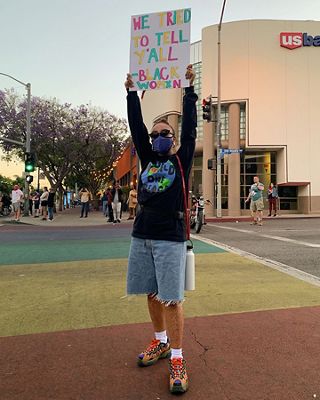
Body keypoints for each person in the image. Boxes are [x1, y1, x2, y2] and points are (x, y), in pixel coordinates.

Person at [125, 64, 197, 394]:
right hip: (142, 235)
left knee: (172, 299)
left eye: (163, 134)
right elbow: (136, 127)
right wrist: (130, 93)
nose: (156, 138)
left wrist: (189, 91)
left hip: (170, 237)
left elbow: (192, 129)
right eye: (154, 135)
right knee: (151, 293)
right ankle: (161, 342)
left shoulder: (180, 159)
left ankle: (178, 359)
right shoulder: (146, 157)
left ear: (173, 138)